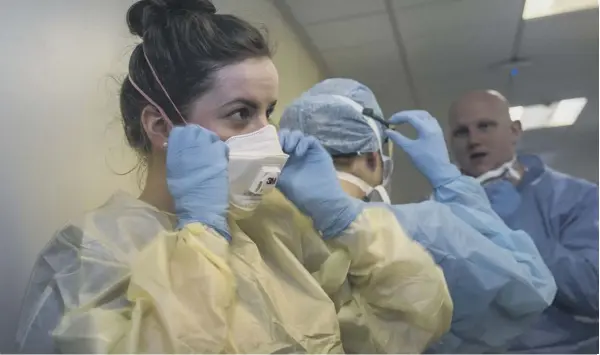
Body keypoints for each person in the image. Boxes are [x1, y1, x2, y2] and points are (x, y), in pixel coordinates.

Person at [14, 1, 453, 353]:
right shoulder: (91, 255)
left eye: (269, 112)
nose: (268, 134)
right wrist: (201, 231)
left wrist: (341, 216)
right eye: (241, 114)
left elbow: (415, 319)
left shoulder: (275, 228)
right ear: (161, 125)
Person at [278, 78, 558, 354]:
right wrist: (449, 180)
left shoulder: (265, 230)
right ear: (374, 157)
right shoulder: (419, 229)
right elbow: (530, 288)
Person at [448, 89, 599, 354]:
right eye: (462, 132)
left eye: (485, 126)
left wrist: (518, 232)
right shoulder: (440, 214)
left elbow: (593, 291)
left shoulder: (578, 197)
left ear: (515, 131)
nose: (473, 140)